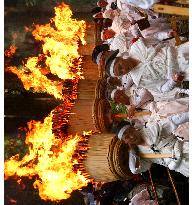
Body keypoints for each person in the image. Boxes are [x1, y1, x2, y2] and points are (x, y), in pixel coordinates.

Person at [105, 40, 189, 96]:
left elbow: (158, 39)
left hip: (181, 51)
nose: (124, 70)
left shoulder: (137, 47)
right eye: (121, 73)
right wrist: (173, 80)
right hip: (183, 71)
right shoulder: (138, 79)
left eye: (120, 67)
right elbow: (161, 89)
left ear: (120, 58)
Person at [116, 116, 189, 177]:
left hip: (185, 149)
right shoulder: (140, 155)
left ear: (133, 128)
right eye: (127, 137)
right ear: (125, 142)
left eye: (131, 131)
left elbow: (174, 120)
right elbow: (134, 170)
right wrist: (132, 150)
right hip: (182, 167)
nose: (131, 136)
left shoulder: (151, 129)